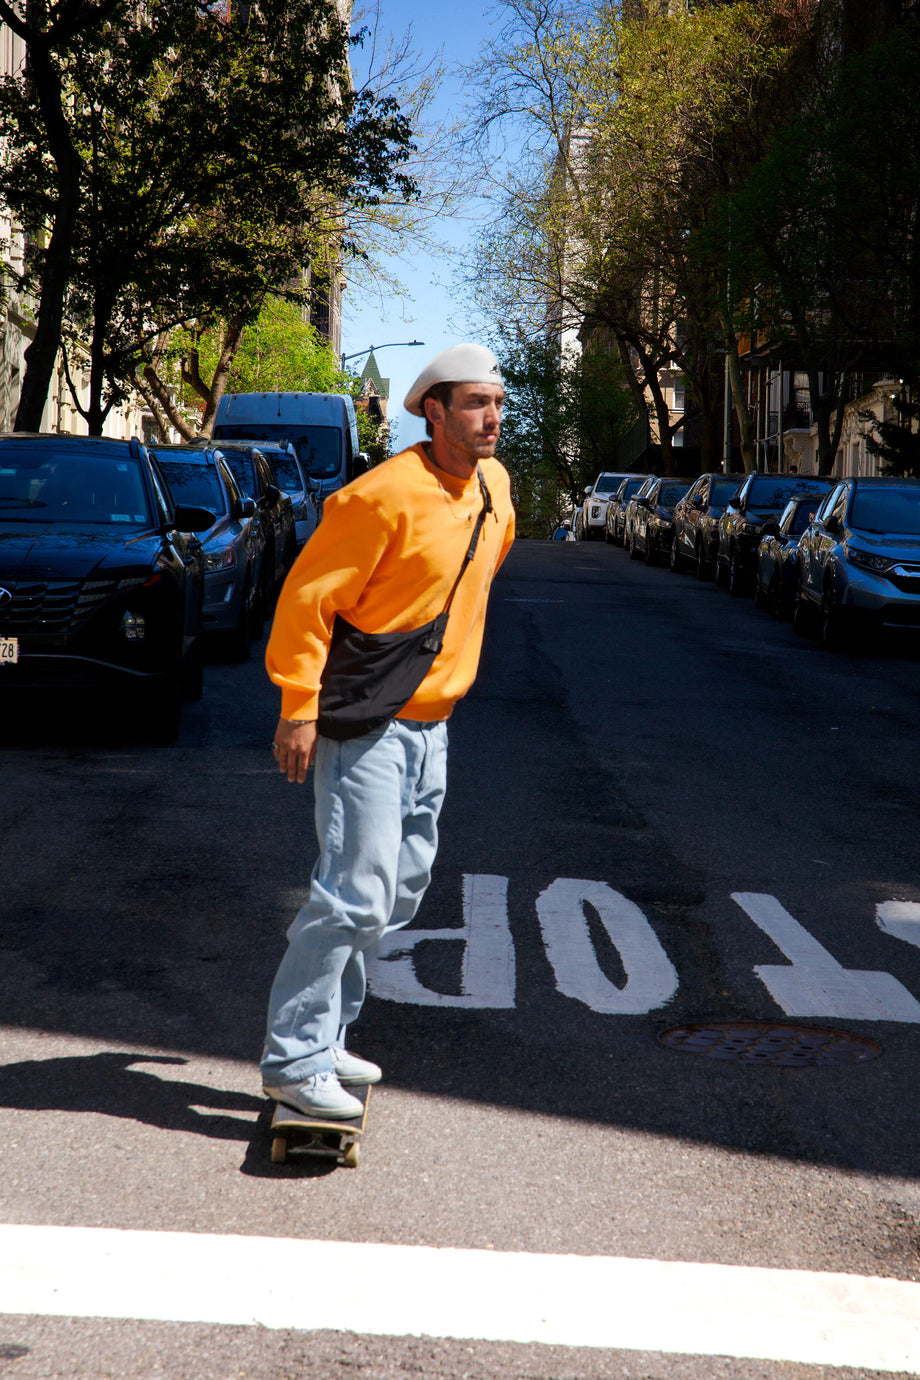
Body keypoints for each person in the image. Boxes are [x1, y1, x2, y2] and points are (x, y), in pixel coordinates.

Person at [260, 344, 516, 1117]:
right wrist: (298, 706)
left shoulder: (496, 488)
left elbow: (476, 579)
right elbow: (308, 601)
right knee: (352, 895)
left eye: (498, 403)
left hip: (434, 725)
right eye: (475, 403)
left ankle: (330, 1032)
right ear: (433, 411)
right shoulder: (379, 497)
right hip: (370, 723)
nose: (492, 418)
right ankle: (295, 1058)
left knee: (398, 891)